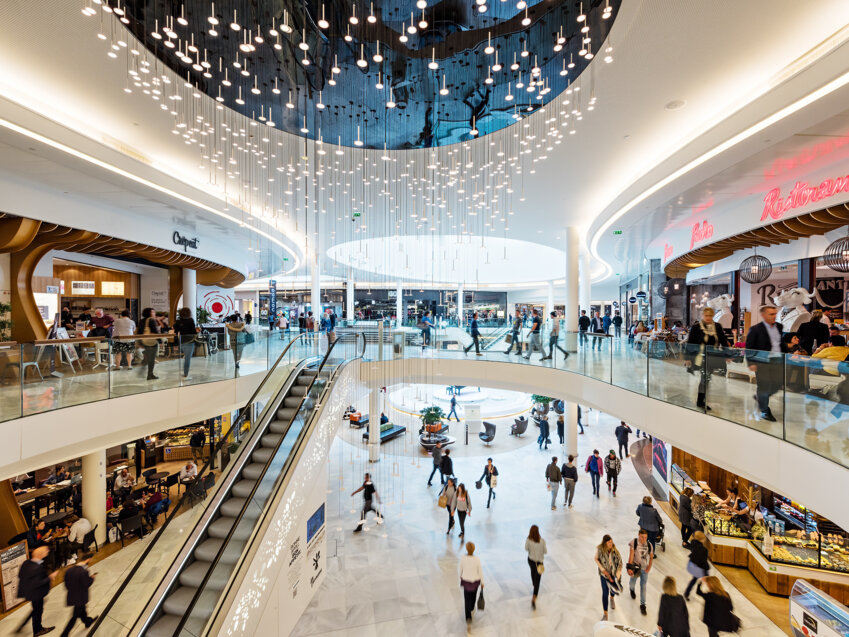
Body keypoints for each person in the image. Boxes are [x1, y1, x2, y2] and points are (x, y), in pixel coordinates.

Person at [745, 305, 786, 422]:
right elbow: (749, 347)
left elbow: (780, 343)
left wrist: (787, 355)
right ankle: (764, 411)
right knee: (763, 385)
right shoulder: (755, 329)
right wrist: (750, 363)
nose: (774, 316)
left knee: (778, 383)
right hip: (762, 362)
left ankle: (761, 398)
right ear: (763, 315)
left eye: (775, 314)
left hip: (777, 360)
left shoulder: (779, 326)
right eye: (771, 314)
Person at [685, 307, 730, 410]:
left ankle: (701, 399)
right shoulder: (696, 327)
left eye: (710, 315)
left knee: (706, 379)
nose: (708, 318)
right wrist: (687, 358)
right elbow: (690, 343)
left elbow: (723, 340)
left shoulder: (717, 327)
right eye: (706, 315)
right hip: (700, 357)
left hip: (712, 357)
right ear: (702, 316)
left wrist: (727, 354)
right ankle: (700, 401)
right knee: (705, 378)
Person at [17, 545, 56, 636]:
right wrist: (50, 577)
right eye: (45, 552)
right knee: (37, 611)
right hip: (36, 593)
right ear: (41, 555)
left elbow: (20, 575)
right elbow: (37, 583)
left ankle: (22, 626)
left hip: (29, 592)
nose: (47, 553)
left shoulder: (26, 563)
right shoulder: (36, 568)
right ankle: (38, 630)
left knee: (36, 610)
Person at [60, 553, 95, 637]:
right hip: (80, 597)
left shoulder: (69, 570)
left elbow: (66, 585)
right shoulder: (83, 571)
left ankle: (87, 622)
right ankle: (64, 634)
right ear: (88, 559)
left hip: (72, 595)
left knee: (82, 610)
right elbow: (86, 584)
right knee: (75, 616)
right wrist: (92, 578)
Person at [594, 534, 622, 621]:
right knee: (605, 593)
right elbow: (596, 559)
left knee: (613, 589)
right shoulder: (600, 550)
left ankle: (612, 598)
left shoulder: (615, 550)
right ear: (605, 543)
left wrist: (616, 576)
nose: (611, 543)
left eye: (611, 541)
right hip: (604, 575)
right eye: (609, 542)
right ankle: (605, 614)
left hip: (615, 575)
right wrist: (603, 570)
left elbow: (620, 563)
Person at [627, 528, 654, 615]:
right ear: (638, 535)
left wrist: (649, 567)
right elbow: (631, 556)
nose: (643, 539)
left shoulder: (649, 545)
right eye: (642, 537)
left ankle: (643, 605)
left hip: (644, 569)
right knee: (632, 582)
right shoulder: (634, 542)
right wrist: (629, 568)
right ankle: (632, 589)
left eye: (645, 537)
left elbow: (651, 556)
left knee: (643, 586)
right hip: (635, 568)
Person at [459, 541, 483, 623]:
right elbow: (480, 572)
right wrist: (482, 582)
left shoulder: (463, 558)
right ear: (473, 549)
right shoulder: (477, 559)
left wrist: (461, 576)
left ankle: (468, 618)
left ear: (466, 549)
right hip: (475, 582)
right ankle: (472, 607)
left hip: (466, 582)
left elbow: (461, 569)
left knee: (467, 600)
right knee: (473, 597)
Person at [173, 307, 199, 379]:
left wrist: (175, 344)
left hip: (181, 341)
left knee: (185, 358)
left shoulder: (178, 321)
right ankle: (186, 374)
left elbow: (175, 333)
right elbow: (193, 332)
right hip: (190, 342)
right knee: (187, 359)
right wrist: (197, 331)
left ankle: (185, 373)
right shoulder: (191, 320)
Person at [525, 525, 547, 609]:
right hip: (540, 563)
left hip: (531, 560)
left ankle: (534, 584)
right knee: (538, 579)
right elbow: (545, 551)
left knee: (532, 572)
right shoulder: (542, 541)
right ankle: (534, 597)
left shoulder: (528, 540)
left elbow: (526, 548)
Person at [683, 531, 710, 599]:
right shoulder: (704, 550)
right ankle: (690, 592)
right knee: (696, 580)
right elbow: (704, 562)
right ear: (702, 539)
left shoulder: (693, 542)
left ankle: (687, 592)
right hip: (698, 567)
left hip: (691, 563)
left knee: (694, 579)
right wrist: (705, 573)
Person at [136, 307, 161, 380]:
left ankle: (142, 369)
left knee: (147, 357)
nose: (154, 313)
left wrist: (140, 342)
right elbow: (155, 332)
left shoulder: (141, 320)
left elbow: (139, 332)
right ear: (149, 313)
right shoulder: (151, 320)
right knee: (152, 358)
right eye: (153, 312)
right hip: (152, 342)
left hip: (144, 341)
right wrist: (160, 341)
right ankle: (150, 374)